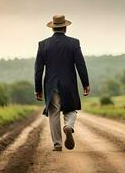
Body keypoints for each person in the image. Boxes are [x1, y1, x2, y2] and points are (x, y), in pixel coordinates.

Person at [34, 15, 90, 151]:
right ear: (65, 27)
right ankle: (69, 126)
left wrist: (38, 89)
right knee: (71, 110)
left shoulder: (43, 45)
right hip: (69, 84)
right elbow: (81, 65)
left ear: (52, 28)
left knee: (53, 114)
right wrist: (85, 84)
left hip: (51, 85)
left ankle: (57, 144)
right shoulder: (74, 43)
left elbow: (38, 69)